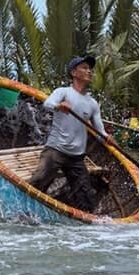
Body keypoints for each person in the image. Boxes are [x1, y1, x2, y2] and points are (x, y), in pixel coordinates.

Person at [29, 55, 113, 212]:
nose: (89, 72)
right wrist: (59, 106)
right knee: (38, 182)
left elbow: (99, 131)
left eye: (90, 69)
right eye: (85, 68)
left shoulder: (92, 103)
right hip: (56, 150)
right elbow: (48, 104)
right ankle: (24, 210)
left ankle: (85, 221)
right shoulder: (63, 92)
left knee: (86, 200)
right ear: (74, 73)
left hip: (77, 156)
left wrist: (107, 138)